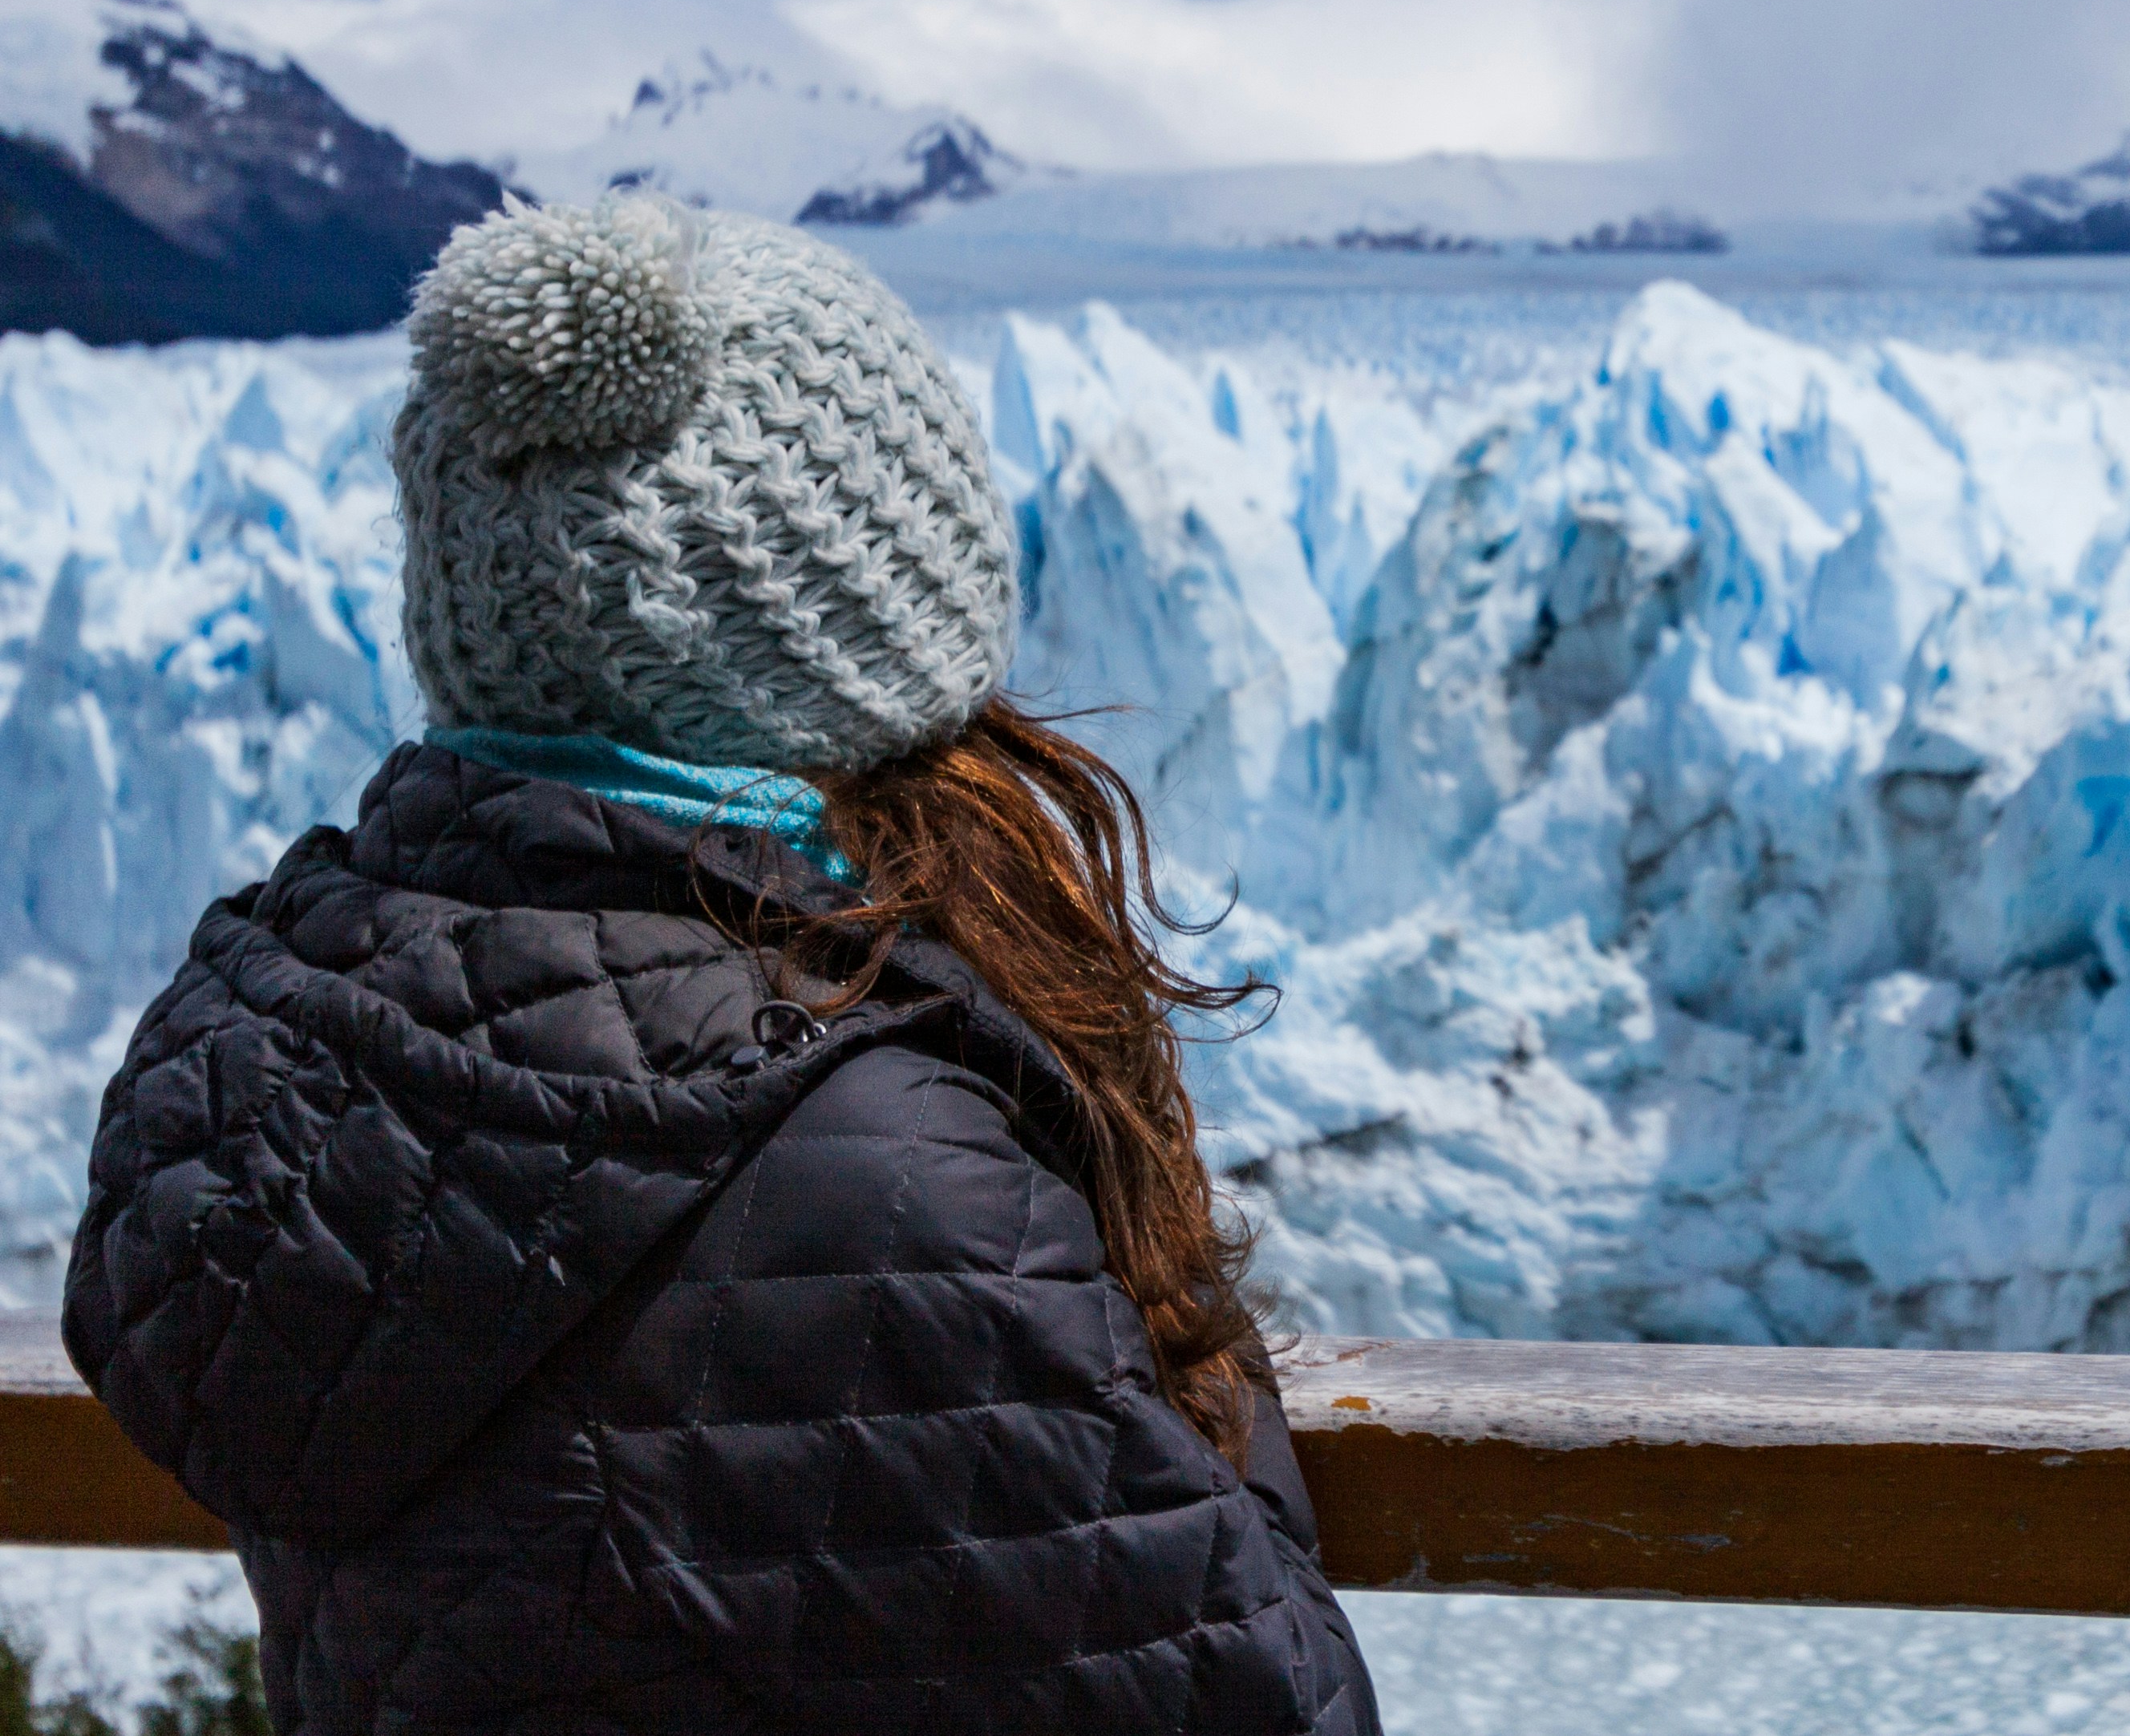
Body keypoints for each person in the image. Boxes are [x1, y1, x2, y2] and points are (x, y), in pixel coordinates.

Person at [63, 196, 1382, 1736]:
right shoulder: (863, 1175)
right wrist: (1190, 1351)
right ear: (863, 631)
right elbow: (1273, 1703)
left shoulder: (276, 1056)